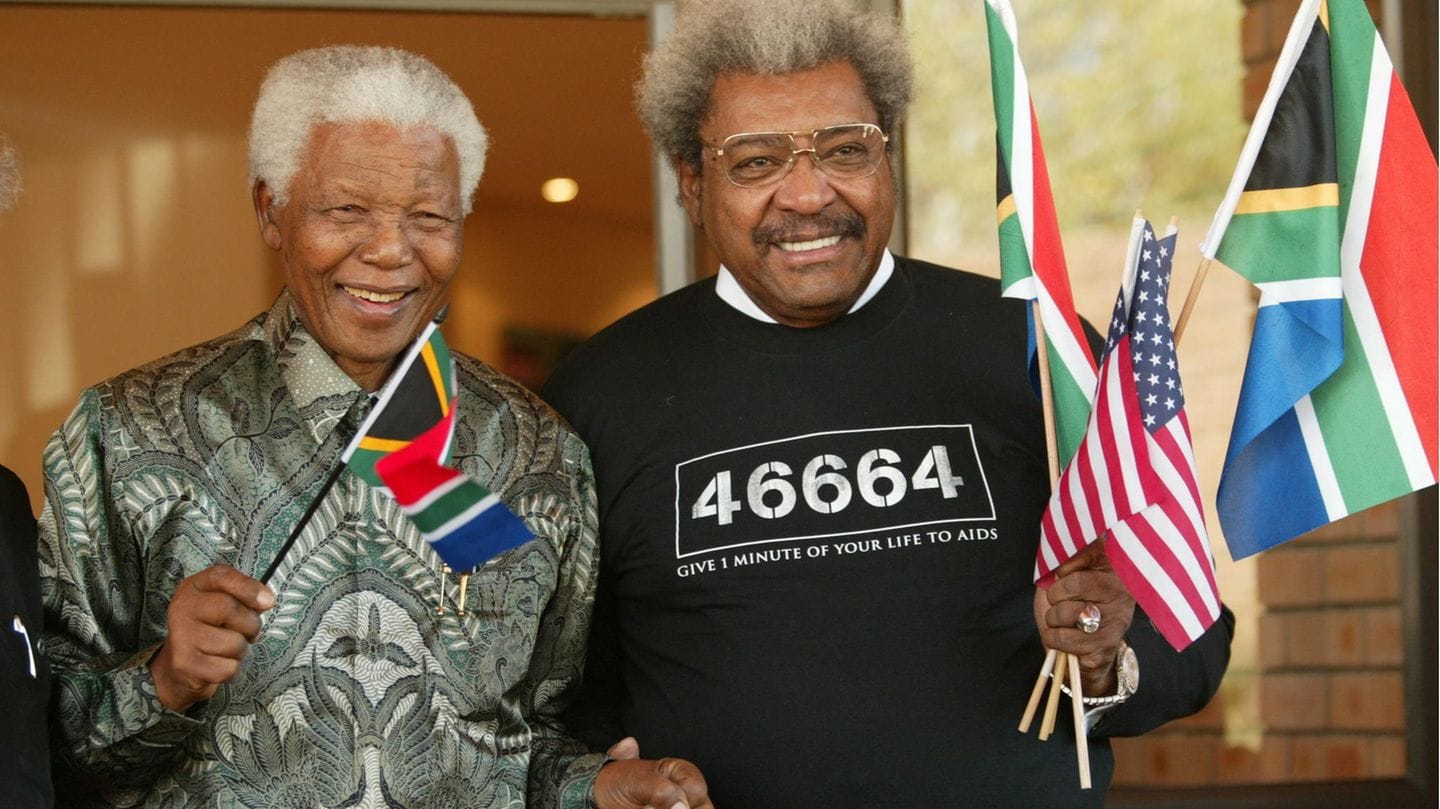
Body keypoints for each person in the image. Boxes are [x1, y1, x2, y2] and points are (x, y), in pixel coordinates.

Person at [542, 2, 1233, 806]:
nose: (807, 195)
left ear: (888, 159)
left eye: (844, 150)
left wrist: (1108, 659)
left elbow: (1190, 639)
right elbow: (552, 699)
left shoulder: (1039, 351)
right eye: (757, 162)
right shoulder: (600, 395)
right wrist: (602, 779)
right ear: (692, 184)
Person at [37, 45, 707, 809]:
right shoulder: (125, 431)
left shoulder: (540, 453)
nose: (390, 251)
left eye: (428, 216)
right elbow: (33, 748)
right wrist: (165, 679)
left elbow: (533, 740)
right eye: (347, 210)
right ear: (270, 210)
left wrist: (603, 785)